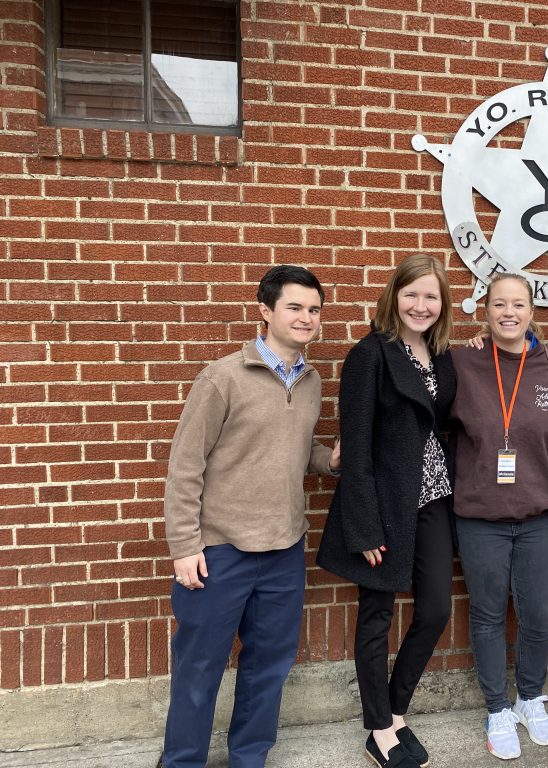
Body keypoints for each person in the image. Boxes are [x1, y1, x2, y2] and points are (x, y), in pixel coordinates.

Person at [160, 265, 340, 768]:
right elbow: (185, 465)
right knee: (199, 670)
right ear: (265, 311)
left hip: (283, 551)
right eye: (295, 307)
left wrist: (330, 460)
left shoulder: (310, 380)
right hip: (220, 551)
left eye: (314, 309)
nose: (307, 318)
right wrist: (185, 546)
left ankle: (249, 758)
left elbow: (298, 450)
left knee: (268, 669)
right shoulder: (223, 378)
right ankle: (182, 762)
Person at [317, 254, 456, 768]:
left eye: (431, 296)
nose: (421, 305)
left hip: (435, 499)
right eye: (412, 294)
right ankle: (379, 728)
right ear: (394, 296)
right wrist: (363, 525)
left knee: (436, 608)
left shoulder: (442, 355)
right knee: (377, 616)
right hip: (384, 507)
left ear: (442, 306)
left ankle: (397, 709)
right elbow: (355, 446)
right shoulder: (370, 354)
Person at [449, 273, 548, 761]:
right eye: (499, 303)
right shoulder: (463, 362)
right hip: (480, 516)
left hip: (539, 515)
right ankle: (497, 707)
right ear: (485, 311)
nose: (508, 312)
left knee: (540, 616)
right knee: (486, 616)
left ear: (531, 311)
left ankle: (529, 698)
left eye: (518, 304)